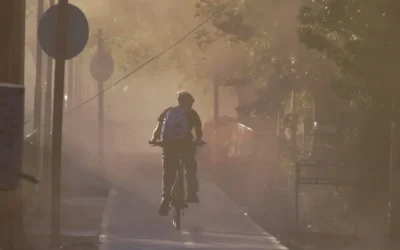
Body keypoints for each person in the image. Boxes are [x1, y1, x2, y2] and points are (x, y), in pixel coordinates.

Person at [150, 91, 203, 216]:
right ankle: (192, 193)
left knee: (168, 171)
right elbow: (198, 132)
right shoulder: (193, 114)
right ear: (189, 102)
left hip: (170, 146)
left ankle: (166, 197)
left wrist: (154, 139)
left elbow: (158, 129)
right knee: (190, 167)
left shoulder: (168, 111)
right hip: (186, 146)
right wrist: (198, 141)